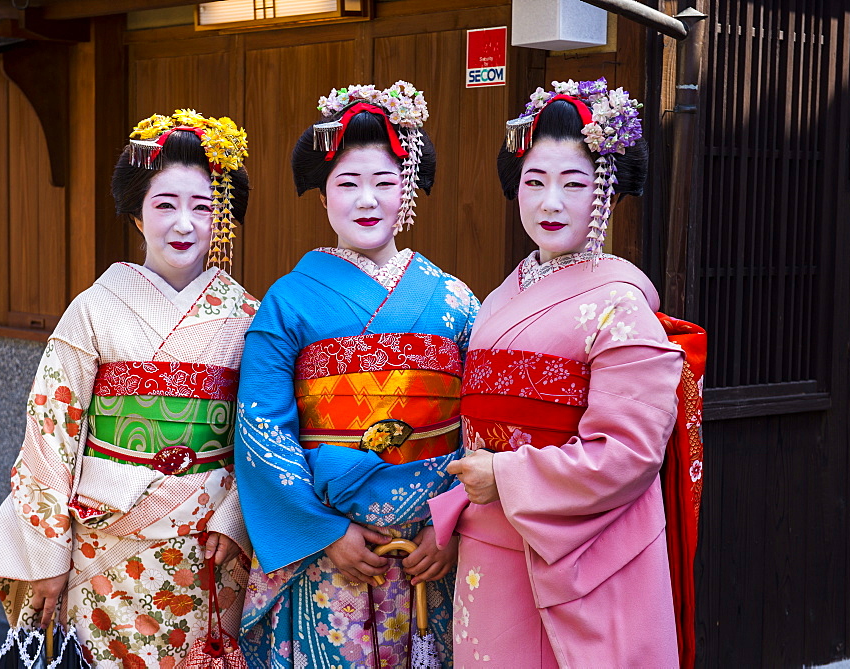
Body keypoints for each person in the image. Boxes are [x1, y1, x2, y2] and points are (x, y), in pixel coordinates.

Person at [0, 110, 257, 667]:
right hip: (106, 539)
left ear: (220, 217)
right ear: (136, 214)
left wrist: (238, 518)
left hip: (209, 543)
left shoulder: (247, 315)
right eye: (165, 205)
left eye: (202, 208)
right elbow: (51, 433)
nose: (184, 224)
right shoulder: (95, 308)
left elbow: (265, 430)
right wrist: (49, 551)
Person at [429, 78, 684, 667]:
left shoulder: (621, 305)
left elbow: (628, 452)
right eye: (535, 182)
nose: (551, 203)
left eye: (575, 184)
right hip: (490, 541)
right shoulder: (497, 299)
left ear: (606, 193)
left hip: (582, 548)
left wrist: (509, 478)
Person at [235, 81, 479, 668]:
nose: (367, 200)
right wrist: (323, 531)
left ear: (408, 191)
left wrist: (449, 525)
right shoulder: (288, 301)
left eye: (385, 182)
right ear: (322, 198)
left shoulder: (456, 302)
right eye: (347, 183)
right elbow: (260, 423)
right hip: (330, 552)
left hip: (429, 548)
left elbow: (480, 423)